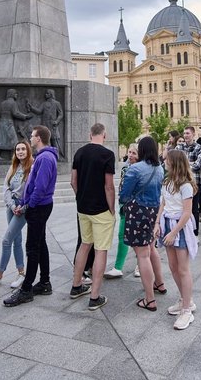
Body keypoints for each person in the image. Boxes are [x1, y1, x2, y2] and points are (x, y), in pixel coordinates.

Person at [4, 125, 58, 307]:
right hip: (38, 206)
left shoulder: (45, 158)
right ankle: (44, 282)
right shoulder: (44, 157)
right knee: (40, 244)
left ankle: (26, 289)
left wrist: (28, 205)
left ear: (39, 138)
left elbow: (40, 187)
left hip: (38, 207)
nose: (30, 138)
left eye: (32, 136)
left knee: (32, 247)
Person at [69, 124, 116, 311]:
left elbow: (73, 181)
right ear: (104, 135)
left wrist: (81, 197)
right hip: (101, 209)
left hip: (83, 208)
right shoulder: (107, 155)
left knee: (85, 245)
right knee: (101, 250)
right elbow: (109, 186)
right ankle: (95, 296)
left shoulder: (79, 152)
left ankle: (76, 285)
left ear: (90, 134)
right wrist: (111, 208)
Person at [119, 136, 166, 311]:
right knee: (151, 248)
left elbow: (124, 194)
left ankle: (150, 299)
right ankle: (159, 283)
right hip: (154, 212)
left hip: (138, 212)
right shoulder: (160, 168)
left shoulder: (135, 169)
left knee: (142, 254)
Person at [0, 141, 32, 289]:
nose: (20, 152)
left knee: (6, 240)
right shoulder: (14, 166)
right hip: (12, 206)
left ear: (28, 151)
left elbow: (31, 191)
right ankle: (21, 272)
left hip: (22, 208)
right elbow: (6, 187)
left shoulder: (32, 167)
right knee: (16, 239)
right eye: (17, 149)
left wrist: (21, 207)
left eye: (23, 149)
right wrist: (12, 205)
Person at [158, 149, 198, 330]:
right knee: (173, 266)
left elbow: (187, 212)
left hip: (179, 227)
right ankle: (184, 300)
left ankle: (187, 310)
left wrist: (174, 232)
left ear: (174, 163)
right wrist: (157, 223)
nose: (164, 162)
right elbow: (163, 203)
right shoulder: (167, 182)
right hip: (167, 223)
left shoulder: (186, 185)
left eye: (167, 160)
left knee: (183, 268)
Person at [106, 142, 139, 279]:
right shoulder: (126, 167)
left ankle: (140, 266)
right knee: (122, 235)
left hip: (137, 207)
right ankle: (118, 267)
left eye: (134, 153)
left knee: (138, 238)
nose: (130, 155)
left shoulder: (140, 168)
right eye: (129, 152)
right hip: (124, 205)